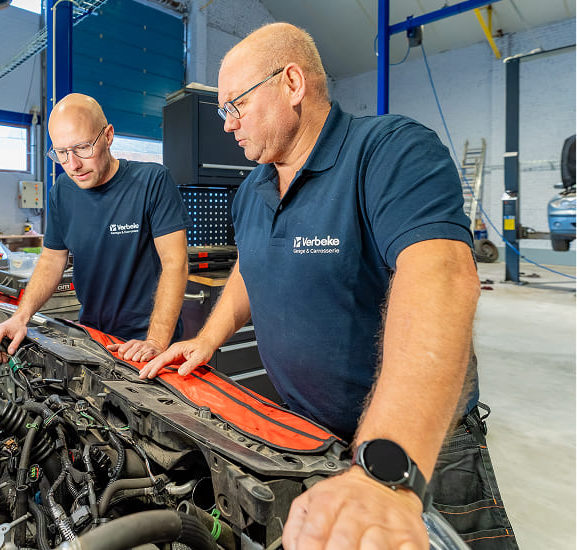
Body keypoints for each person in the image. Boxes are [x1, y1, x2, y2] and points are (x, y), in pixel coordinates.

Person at [141, 22, 517, 550]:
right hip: (306, 435)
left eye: (236, 105)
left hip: (417, 448)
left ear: (292, 83)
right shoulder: (252, 190)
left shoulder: (389, 150)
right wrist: (206, 339)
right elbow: (251, 267)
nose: (227, 124)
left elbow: (442, 276)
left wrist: (386, 469)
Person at [0, 93, 189, 364]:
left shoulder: (152, 181)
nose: (73, 165)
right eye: (61, 153)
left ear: (108, 136)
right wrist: (20, 317)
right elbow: (51, 259)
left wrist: (155, 340)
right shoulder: (62, 191)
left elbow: (175, 263)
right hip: (93, 338)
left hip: (147, 341)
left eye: (83, 148)